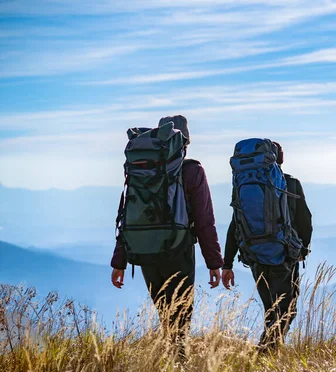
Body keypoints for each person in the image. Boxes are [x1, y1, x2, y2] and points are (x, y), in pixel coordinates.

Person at [110, 115, 224, 357]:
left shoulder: (141, 167)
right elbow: (205, 221)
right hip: (178, 249)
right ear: (186, 141)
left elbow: (127, 215)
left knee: (165, 314)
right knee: (181, 317)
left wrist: (119, 261)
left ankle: (169, 367)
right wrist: (214, 262)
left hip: (144, 249)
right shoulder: (192, 171)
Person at [222, 141, 312, 351]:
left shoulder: (242, 186)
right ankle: (265, 353)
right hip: (284, 255)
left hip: (254, 254)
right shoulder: (290, 184)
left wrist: (227, 263)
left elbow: (236, 224)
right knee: (286, 309)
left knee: (270, 308)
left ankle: (266, 351)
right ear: (278, 159)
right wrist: (303, 250)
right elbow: (305, 219)